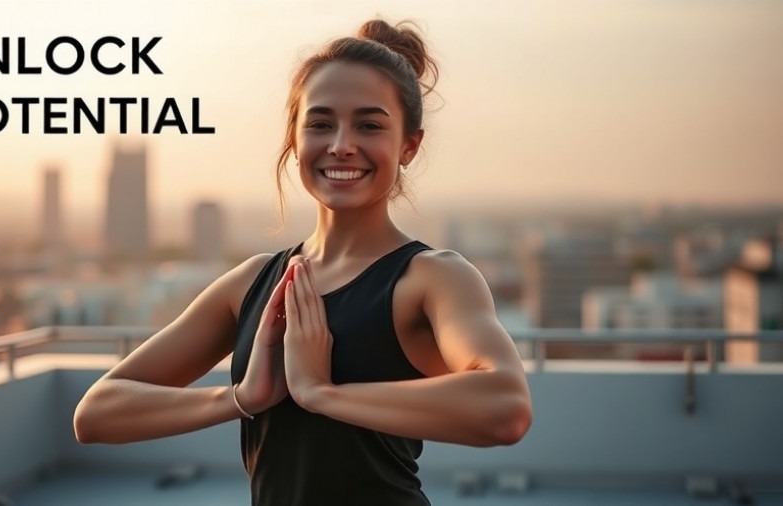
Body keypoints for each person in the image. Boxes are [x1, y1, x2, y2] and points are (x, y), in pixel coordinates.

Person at [74, 19, 532, 505]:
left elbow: (505, 408)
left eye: (370, 125)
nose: (341, 144)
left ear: (408, 146)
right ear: (294, 140)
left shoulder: (432, 278)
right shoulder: (252, 282)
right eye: (320, 123)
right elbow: (96, 414)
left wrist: (321, 393)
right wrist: (239, 399)